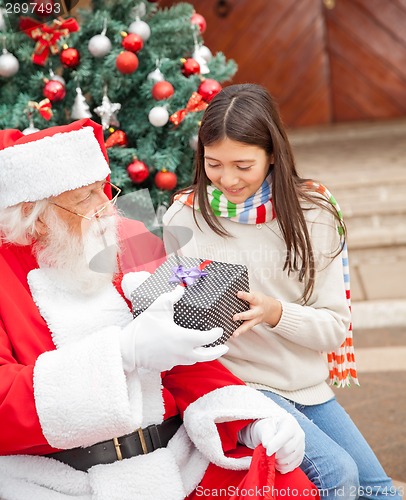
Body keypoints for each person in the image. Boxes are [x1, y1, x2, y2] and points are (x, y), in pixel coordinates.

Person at [0, 118, 319, 500]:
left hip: (175, 459)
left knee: (288, 488)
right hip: (64, 479)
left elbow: (184, 357)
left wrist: (249, 422)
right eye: (85, 196)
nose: (106, 206)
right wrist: (121, 354)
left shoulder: (119, 240)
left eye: (103, 188)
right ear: (32, 214)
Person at [163, 84, 402, 500]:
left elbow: (332, 330)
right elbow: (176, 315)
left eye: (242, 165)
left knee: (379, 492)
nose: (227, 179)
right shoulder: (185, 216)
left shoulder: (315, 213)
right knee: (337, 475)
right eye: (214, 163)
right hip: (239, 383)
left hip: (304, 382)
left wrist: (275, 312)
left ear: (272, 153)